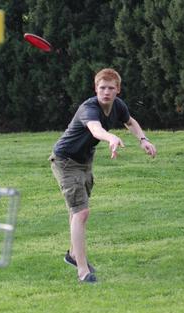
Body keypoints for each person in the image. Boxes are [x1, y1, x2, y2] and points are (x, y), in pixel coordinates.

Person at [49, 68, 157, 283]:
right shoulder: (89, 108)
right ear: (95, 89)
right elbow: (95, 129)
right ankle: (82, 272)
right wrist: (110, 138)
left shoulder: (118, 105)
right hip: (65, 160)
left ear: (118, 90)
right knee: (82, 212)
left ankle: (72, 254)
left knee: (77, 209)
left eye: (110, 88)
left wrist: (143, 139)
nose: (106, 92)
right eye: (101, 88)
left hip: (84, 160)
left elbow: (130, 121)